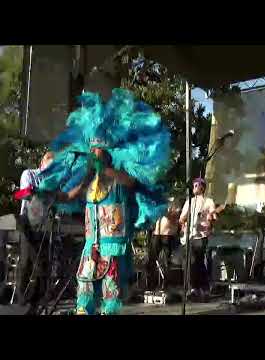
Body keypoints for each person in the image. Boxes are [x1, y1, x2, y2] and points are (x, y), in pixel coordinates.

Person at [39, 89, 171, 315]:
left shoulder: (119, 174)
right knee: (84, 289)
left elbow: (131, 183)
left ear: (108, 152)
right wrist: (47, 193)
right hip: (92, 245)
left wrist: (105, 169)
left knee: (110, 294)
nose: (94, 154)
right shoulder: (88, 177)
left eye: (98, 151)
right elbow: (71, 195)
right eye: (92, 151)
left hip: (113, 245)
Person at [14, 152, 55, 306]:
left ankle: (36, 298)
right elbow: (23, 193)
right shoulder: (29, 174)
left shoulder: (53, 182)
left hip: (42, 224)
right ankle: (20, 296)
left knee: (42, 263)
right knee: (26, 262)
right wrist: (38, 191)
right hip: (27, 221)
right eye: (48, 167)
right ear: (41, 164)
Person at [179, 178, 217, 300]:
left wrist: (210, 219)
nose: (194, 187)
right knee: (190, 262)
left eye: (197, 185)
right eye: (194, 185)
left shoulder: (208, 201)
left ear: (203, 188)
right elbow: (181, 219)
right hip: (189, 236)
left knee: (197, 261)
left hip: (201, 236)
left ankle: (201, 287)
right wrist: (184, 222)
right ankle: (194, 288)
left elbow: (213, 216)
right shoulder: (189, 201)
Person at [147, 200, 181, 290]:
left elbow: (174, 217)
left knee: (166, 261)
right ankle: (151, 284)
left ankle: (165, 284)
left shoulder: (175, 203)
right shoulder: (159, 201)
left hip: (168, 235)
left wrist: (164, 211)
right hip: (157, 234)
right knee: (152, 259)